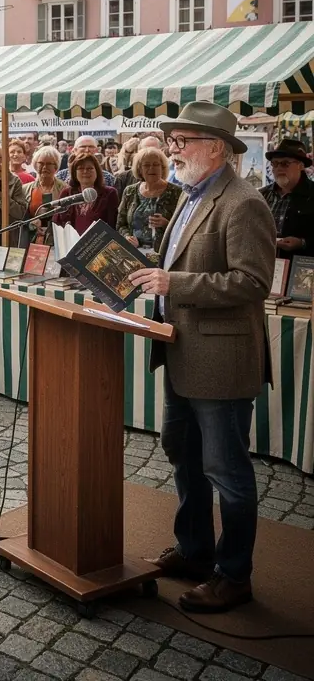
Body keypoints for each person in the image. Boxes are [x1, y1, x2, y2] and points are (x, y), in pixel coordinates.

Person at [129, 101, 276, 613]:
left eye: (180, 141)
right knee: (182, 454)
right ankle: (195, 551)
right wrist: (149, 271)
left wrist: (175, 282)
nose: (171, 149)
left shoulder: (243, 202)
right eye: (172, 141)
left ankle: (234, 575)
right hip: (182, 351)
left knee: (226, 471)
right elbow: (181, 263)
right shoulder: (191, 196)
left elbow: (253, 282)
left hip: (221, 363)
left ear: (214, 148)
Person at [117, 147, 181, 255]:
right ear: (139, 169)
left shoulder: (177, 192)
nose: (152, 168)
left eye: (156, 165)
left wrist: (167, 224)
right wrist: (127, 237)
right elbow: (120, 224)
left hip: (165, 255)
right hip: (135, 254)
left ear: (163, 168)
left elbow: (185, 228)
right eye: (146, 165)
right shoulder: (130, 191)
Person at [259, 138, 314, 262]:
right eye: (275, 164)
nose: (278, 168)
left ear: (301, 165)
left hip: (300, 268)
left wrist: (302, 243)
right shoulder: (262, 195)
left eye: (285, 163)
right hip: (264, 265)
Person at [52, 152, 118, 232]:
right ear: (74, 173)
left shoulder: (109, 193)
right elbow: (57, 222)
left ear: (97, 171)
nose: (85, 171)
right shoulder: (66, 193)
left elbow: (112, 225)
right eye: (81, 168)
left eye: (90, 168)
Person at [21, 145, 68, 247]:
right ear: (35, 165)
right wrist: (30, 223)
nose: (44, 167)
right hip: (31, 240)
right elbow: (20, 216)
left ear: (55, 166)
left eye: (49, 164)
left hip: (57, 241)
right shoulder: (25, 189)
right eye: (41, 163)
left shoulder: (65, 189)